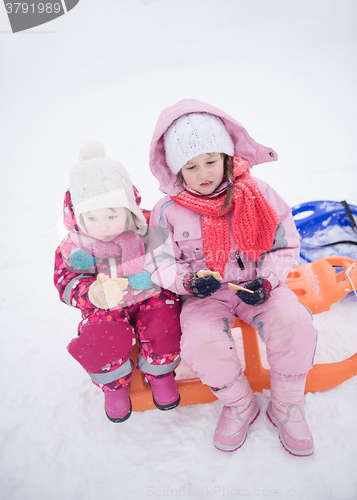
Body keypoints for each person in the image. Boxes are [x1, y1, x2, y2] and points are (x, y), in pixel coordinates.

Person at [146, 99, 317, 456]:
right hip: (205, 297)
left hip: (258, 284)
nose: (204, 173)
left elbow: (286, 244)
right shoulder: (166, 211)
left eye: (210, 161)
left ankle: (287, 403)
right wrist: (188, 283)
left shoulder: (259, 194)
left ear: (226, 157)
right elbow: (158, 262)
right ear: (177, 171)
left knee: (294, 323)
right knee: (201, 343)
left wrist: (268, 280)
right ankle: (239, 403)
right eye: (191, 167)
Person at [54, 140, 181, 423]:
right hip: (105, 306)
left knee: (166, 320)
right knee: (100, 336)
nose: (104, 225)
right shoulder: (74, 247)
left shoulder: (148, 228)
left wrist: (157, 274)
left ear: (129, 209)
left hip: (149, 297)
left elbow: (170, 256)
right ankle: (114, 385)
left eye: (113, 214)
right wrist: (92, 293)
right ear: (77, 217)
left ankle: (160, 373)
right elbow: (66, 282)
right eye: (93, 217)